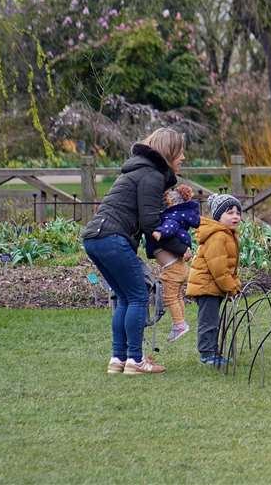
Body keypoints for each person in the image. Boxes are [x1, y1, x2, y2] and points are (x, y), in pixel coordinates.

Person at [82, 127, 184, 375]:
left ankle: (118, 359)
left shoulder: (139, 171)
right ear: (169, 152)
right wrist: (181, 248)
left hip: (95, 238)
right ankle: (136, 361)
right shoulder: (151, 175)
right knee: (138, 296)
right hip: (112, 238)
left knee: (125, 297)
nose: (183, 158)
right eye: (180, 153)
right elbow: (151, 223)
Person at [186, 193, 243, 366]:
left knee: (212, 320)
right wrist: (230, 287)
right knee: (208, 321)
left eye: (238, 213)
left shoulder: (227, 234)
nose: (235, 216)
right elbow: (218, 269)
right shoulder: (218, 236)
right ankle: (207, 354)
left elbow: (229, 266)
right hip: (206, 286)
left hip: (213, 285)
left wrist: (235, 284)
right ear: (218, 216)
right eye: (230, 212)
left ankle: (212, 351)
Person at [145, 184, 201, 342]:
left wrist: (158, 233)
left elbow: (169, 229)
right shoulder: (176, 218)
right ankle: (181, 322)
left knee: (170, 297)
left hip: (172, 269)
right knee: (177, 296)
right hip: (179, 267)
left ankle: (179, 324)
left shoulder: (171, 219)